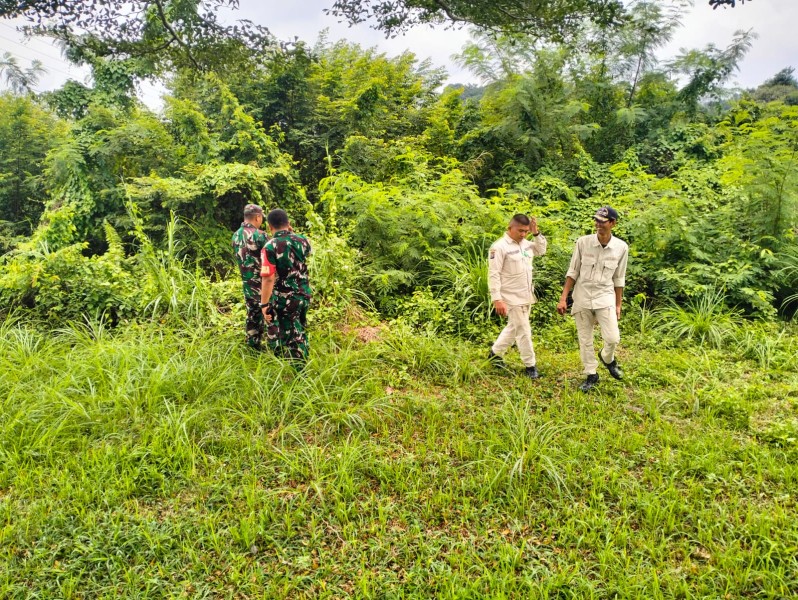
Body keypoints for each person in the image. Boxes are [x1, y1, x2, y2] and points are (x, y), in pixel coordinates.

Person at [557, 206, 629, 392]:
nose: (598, 224)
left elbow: (619, 278)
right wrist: (563, 298)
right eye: (596, 220)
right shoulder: (583, 242)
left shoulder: (621, 247)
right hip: (582, 296)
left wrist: (618, 304)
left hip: (605, 296)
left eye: (602, 221)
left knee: (613, 338)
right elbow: (573, 271)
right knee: (585, 339)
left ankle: (607, 358)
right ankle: (591, 374)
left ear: (612, 223)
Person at [488, 213, 548, 379]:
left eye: (526, 231)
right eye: (520, 231)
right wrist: (497, 299)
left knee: (514, 327)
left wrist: (536, 233)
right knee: (524, 331)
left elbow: (541, 250)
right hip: (510, 296)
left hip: (526, 294)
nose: (523, 234)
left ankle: (495, 353)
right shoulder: (499, 247)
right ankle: (530, 366)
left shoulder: (526, 244)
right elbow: (493, 274)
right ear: (510, 228)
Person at [259, 209, 312, 367]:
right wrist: (292, 234)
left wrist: (264, 304)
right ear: (288, 223)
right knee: (300, 329)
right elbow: (305, 253)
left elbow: (268, 278)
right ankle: (300, 360)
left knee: (292, 337)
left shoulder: (270, 247)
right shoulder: (303, 240)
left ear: (270, 227)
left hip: (287, 298)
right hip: (304, 293)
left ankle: (300, 373)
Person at [232, 203, 268, 350]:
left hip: (247, 282)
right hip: (263, 283)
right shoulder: (260, 235)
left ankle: (253, 345)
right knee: (269, 312)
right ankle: (275, 346)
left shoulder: (236, 235)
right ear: (258, 217)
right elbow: (271, 257)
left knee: (252, 313)